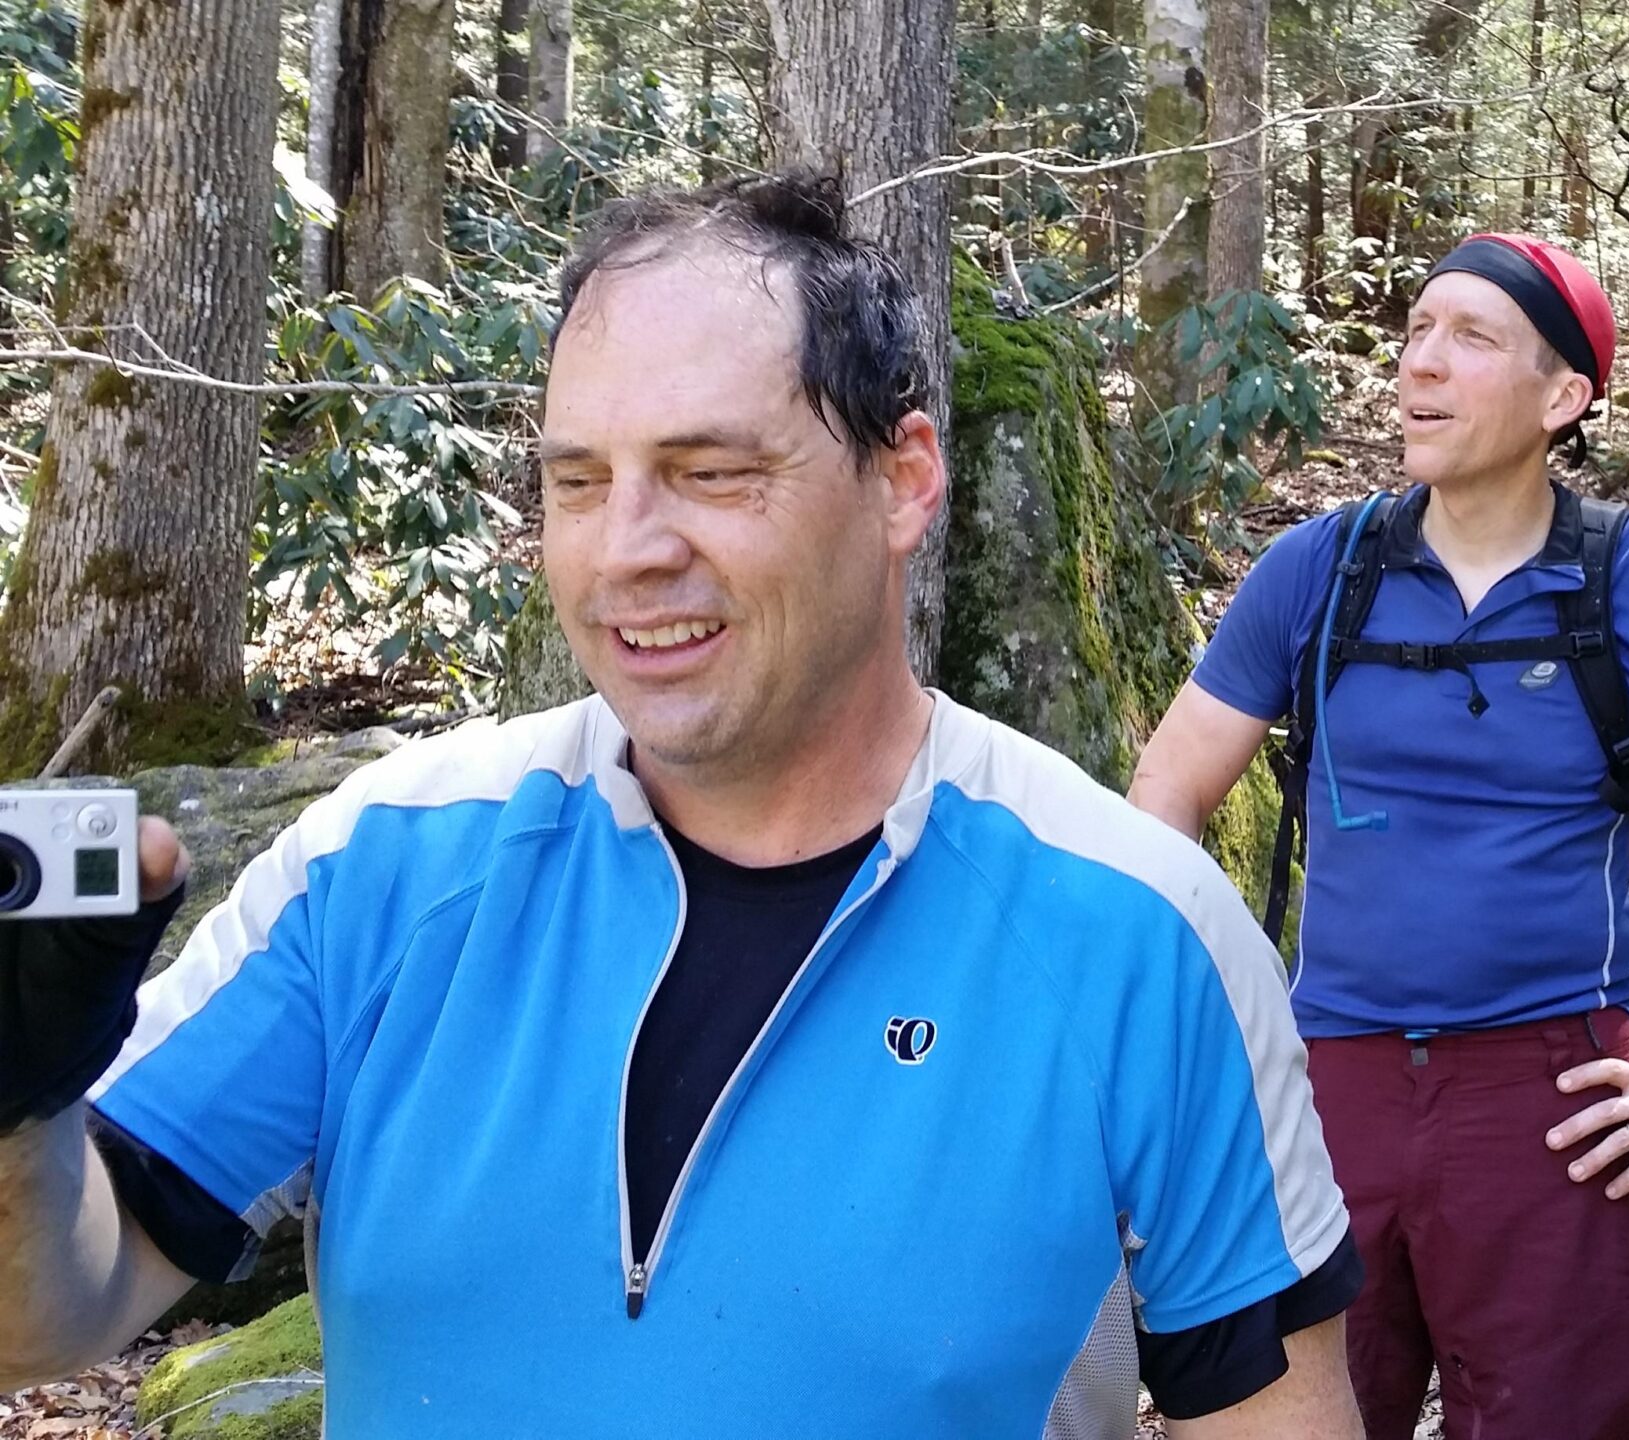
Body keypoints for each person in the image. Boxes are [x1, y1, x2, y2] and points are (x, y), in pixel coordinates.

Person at [0, 174, 1365, 1437]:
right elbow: (47, 1315)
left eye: (713, 473)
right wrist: (21, 1109)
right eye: (576, 483)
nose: (628, 552)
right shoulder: (385, 866)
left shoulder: (1140, 935)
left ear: (905, 481)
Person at [1128, 233, 1629, 1439]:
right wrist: (1214, 1038)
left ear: (1564, 397)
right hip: (1325, 1083)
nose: (1418, 369)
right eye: (1414, 334)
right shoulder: (1318, 573)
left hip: (1555, 1101)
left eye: (1469, 339)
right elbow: (1163, 800)